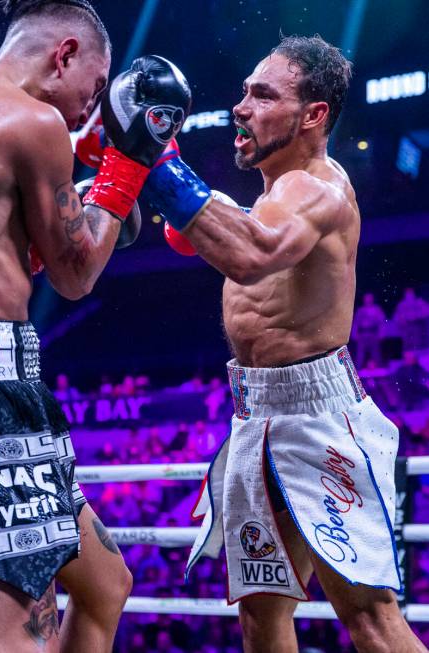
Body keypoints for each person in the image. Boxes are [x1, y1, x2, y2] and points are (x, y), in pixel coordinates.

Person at [0, 1, 190, 651]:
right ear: (66, 54)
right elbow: (73, 275)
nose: (92, 108)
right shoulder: (32, 123)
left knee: (106, 580)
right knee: (20, 639)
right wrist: (126, 162)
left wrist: (92, 189)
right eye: (93, 87)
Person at [126, 35, 426, 652]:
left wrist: (153, 164)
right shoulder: (272, 195)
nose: (241, 107)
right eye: (243, 93)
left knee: (369, 618)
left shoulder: (316, 188)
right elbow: (236, 237)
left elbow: (251, 256)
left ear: (312, 115)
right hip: (255, 414)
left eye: (262, 96)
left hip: (317, 419)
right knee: (261, 616)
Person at [352, 292, 387, 368]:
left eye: (369, 298)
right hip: (362, 335)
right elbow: (356, 323)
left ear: (372, 299)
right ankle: (357, 373)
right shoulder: (360, 310)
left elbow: (382, 322)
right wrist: (354, 333)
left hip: (373, 334)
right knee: (360, 355)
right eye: (366, 298)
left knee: (376, 354)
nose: (368, 300)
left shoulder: (377, 309)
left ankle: (380, 373)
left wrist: (382, 333)